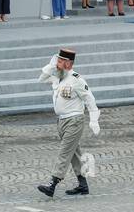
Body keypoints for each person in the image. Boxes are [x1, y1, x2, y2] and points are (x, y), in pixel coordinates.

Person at [36, 48, 100, 198]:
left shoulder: (77, 80)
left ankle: (52, 184)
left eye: (60, 62)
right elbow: (41, 79)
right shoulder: (57, 77)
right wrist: (52, 66)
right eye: (57, 61)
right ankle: (83, 185)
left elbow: (89, 99)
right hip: (62, 121)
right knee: (74, 154)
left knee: (64, 153)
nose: (58, 64)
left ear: (69, 64)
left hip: (74, 121)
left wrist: (94, 120)